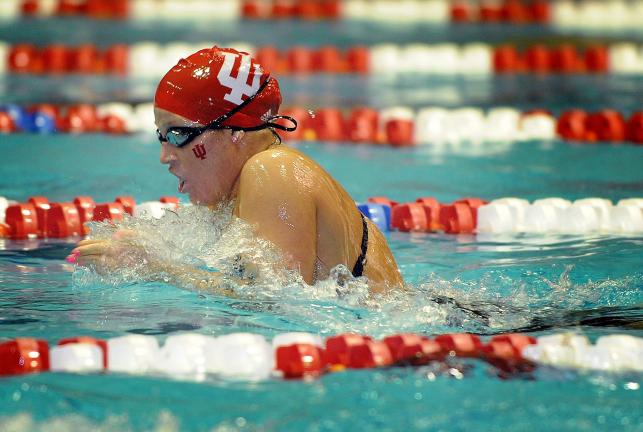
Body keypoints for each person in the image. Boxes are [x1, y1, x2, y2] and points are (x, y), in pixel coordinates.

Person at [74, 46, 403, 294]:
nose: (165, 156)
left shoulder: (273, 170)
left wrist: (156, 268)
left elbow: (277, 302)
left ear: (233, 130)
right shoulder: (236, 195)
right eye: (162, 136)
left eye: (177, 134)